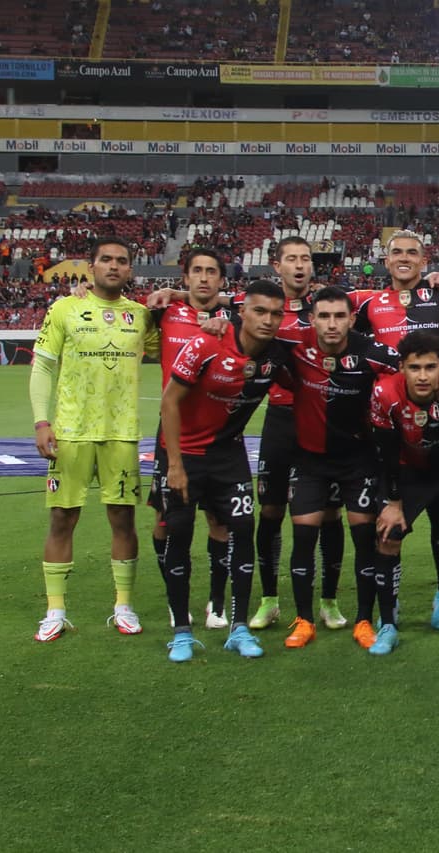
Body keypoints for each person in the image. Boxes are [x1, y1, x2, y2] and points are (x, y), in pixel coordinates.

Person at [30, 237, 160, 642]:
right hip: (69, 433)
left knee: (122, 518)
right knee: (62, 517)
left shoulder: (140, 317)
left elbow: (174, 342)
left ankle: (123, 605)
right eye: (106, 259)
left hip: (121, 435)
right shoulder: (65, 308)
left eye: (122, 260)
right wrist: (41, 421)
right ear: (92, 266)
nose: (114, 266)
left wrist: (171, 296)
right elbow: (43, 366)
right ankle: (55, 610)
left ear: (130, 270)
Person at [158, 279, 289, 662]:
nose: (268, 320)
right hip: (185, 454)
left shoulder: (277, 355)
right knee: (178, 535)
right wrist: (176, 466)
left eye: (276, 313)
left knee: (244, 531)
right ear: (242, 311)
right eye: (260, 311)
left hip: (228, 457)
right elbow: (169, 403)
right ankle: (182, 632)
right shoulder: (205, 343)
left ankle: (239, 627)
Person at [348, 229, 439, 630]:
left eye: (411, 253)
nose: (403, 258)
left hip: (436, 416)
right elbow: (314, 307)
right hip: (386, 415)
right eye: (396, 252)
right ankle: (387, 606)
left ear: (423, 259)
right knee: (386, 521)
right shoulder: (366, 301)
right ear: (385, 260)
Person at [278, 287, 400, 650]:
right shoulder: (294, 345)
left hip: (358, 460)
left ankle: (363, 619)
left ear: (351, 319)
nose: (332, 324)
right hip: (310, 459)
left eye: (339, 316)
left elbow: (411, 365)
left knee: (364, 537)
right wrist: (216, 323)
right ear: (312, 319)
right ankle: (303, 620)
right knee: (303, 536)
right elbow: (248, 331)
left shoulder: (372, 351)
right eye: (324, 316)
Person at [249, 236, 347, 631]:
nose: (300, 265)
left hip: (323, 420)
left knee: (329, 513)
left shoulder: (326, 310)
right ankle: (269, 598)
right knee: (271, 511)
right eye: (292, 259)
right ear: (277, 266)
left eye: (305, 259)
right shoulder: (266, 310)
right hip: (280, 420)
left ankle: (329, 600)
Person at [371, 331, 439, 654]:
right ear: (401, 367)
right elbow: (387, 452)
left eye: (430, 367)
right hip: (406, 471)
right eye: (414, 367)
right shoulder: (384, 394)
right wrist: (392, 501)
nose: (422, 376)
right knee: (388, 534)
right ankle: (388, 623)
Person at [147, 250, 235, 629]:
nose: (203, 278)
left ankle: (216, 604)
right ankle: (174, 600)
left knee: (220, 520)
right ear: (185, 277)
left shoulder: (235, 318)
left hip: (219, 437)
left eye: (211, 272)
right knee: (165, 521)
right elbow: (120, 303)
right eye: (196, 271)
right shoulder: (165, 312)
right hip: (173, 433)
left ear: (221, 280)